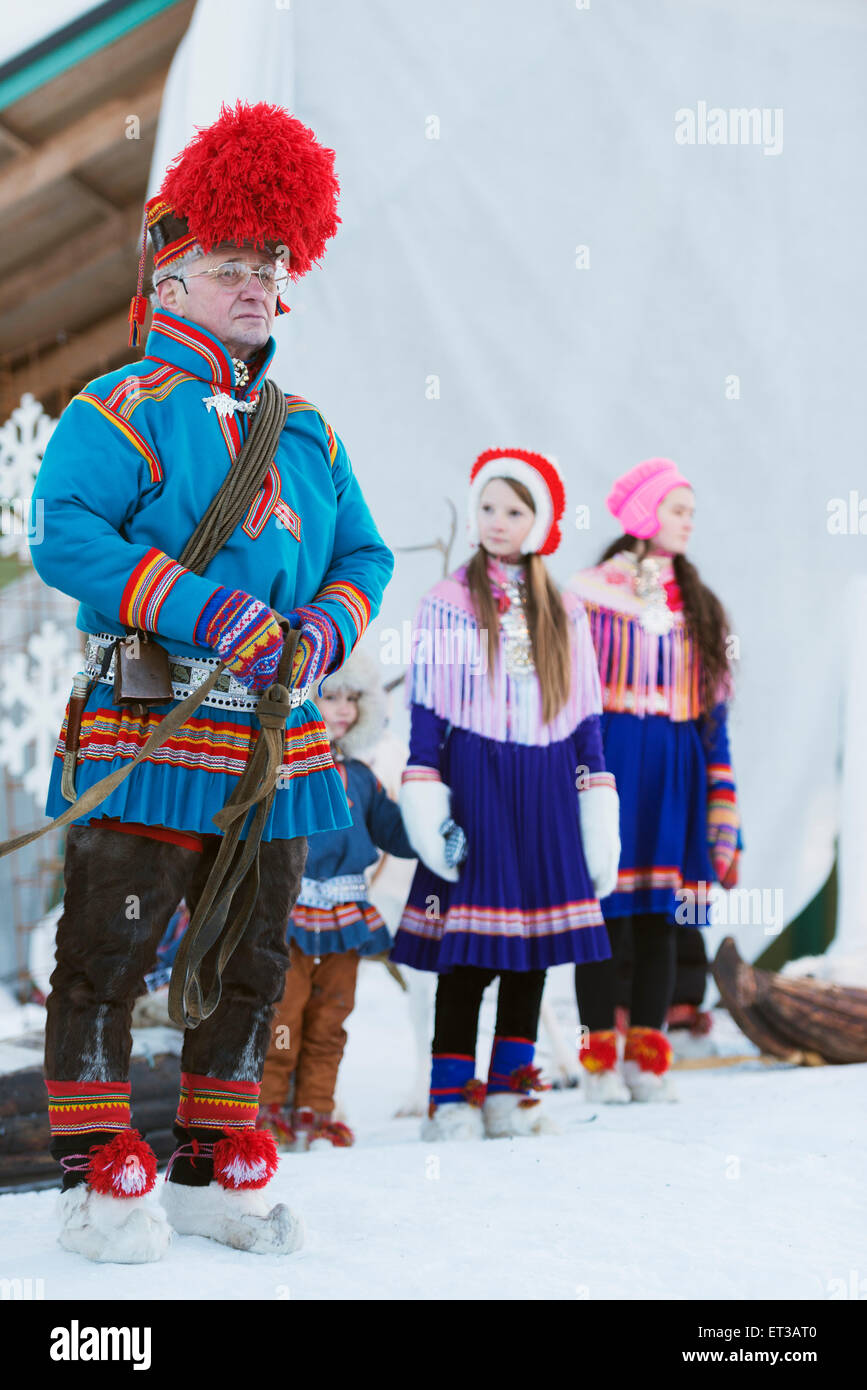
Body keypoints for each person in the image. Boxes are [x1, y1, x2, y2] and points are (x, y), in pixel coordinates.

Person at [28, 101, 393, 1262]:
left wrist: (324, 631)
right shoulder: (119, 407)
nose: (255, 285)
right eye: (229, 265)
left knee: (251, 957)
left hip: (280, 746)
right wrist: (210, 609)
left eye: (267, 265)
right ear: (170, 279)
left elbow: (364, 556)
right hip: (152, 725)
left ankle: (208, 1168)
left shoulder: (313, 433)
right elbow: (61, 532)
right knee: (108, 950)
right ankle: (99, 1182)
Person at [389, 448, 620, 1139]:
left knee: (535, 951)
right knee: (471, 952)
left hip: (546, 784)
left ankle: (511, 1091)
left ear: (538, 523)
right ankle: (449, 1097)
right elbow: (425, 708)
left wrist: (595, 806)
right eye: (486, 507)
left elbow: (585, 718)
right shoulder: (446, 604)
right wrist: (426, 787)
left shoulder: (565, 611)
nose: (495, 521)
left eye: (512, 511)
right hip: (476, 781)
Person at [566, 458, 741, 1102]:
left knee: (662, 915)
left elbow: (713, 718)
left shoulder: (697, 607)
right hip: (611, 760)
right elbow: (567, 696)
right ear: (643, 513)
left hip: (675, 768)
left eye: (692, 511)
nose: (689, 522)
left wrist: (723, 808)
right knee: (603, 912)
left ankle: (647, 1056)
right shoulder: (588, 595)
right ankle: (596, 1061)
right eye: (677, 509)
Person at [255, 644, 416, 1150]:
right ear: (304, 698)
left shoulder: (362, 778)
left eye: (354, 697)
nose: (344, 707)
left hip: (347, 914)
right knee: (285, 1012)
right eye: (331, 695)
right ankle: (269, 1113)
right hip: (291, 911)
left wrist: (439, 828)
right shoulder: (284, 768)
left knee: (332, 1016)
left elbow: (396, 833)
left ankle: (316, 1113)